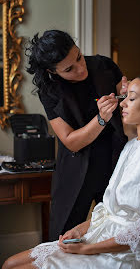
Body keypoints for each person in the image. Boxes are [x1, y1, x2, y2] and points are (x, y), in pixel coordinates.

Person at [3, 74, 140, 269]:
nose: (122, 104)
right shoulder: (132, 146)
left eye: (131, 98)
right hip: (99, 234)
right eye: (125, 98)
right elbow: (108, 208)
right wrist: (78, 231)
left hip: (123, 254)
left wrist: (87, 249)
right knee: (10, 263)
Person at [24, 30, 129, 241]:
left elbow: (129, 109)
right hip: (75, 168)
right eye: (69, 69)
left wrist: (129, 94)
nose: (81, 69)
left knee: (116, 229)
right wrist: (101, 119)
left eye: (79, 57)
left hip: (114, 160)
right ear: (52, 71)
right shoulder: (50, 91)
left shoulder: (104, 66)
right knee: (64, 235)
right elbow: (71, 142)